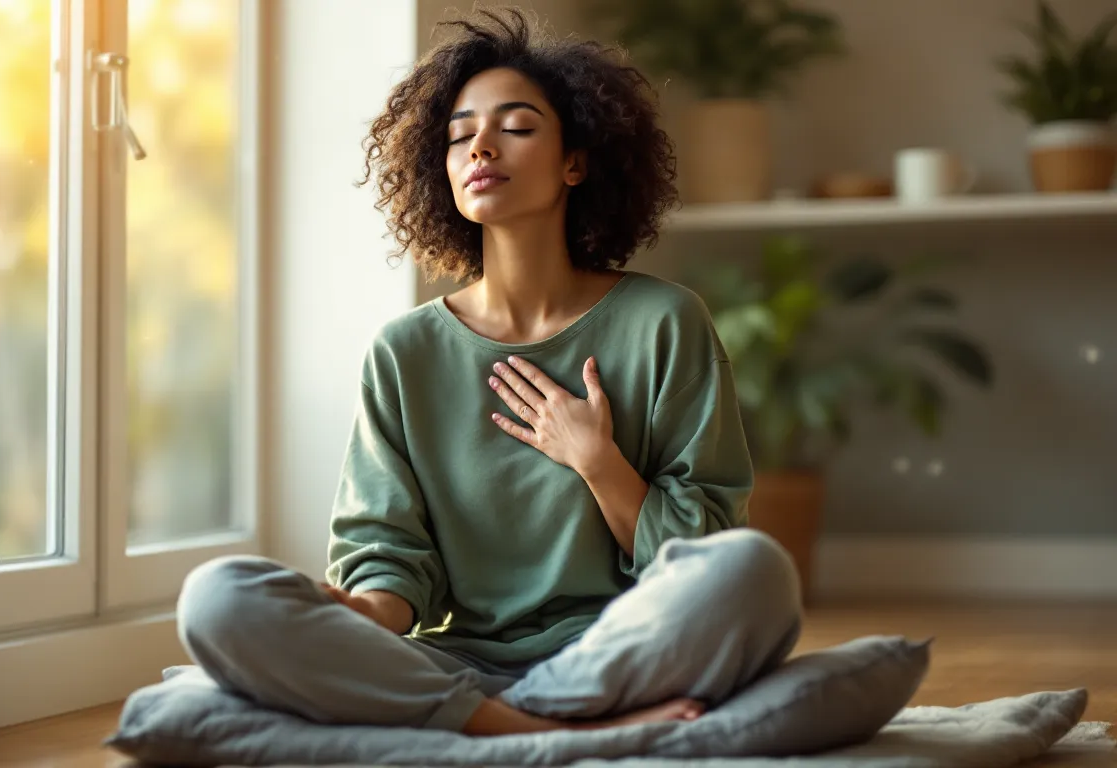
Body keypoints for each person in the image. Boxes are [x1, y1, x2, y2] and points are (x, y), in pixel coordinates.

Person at [177, 7, 802, 737]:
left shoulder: (665, 322)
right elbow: (388, 553)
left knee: (755, 574)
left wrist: (598, 461)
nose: (480, 145)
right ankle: (551, 728)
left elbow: (701, 553)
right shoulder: (404, 352)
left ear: (577, 160)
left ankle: (488, 727)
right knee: (217, 598)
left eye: (516, 126)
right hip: (458, 663)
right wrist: (361, 613)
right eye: (458, 135)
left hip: (622, 647)